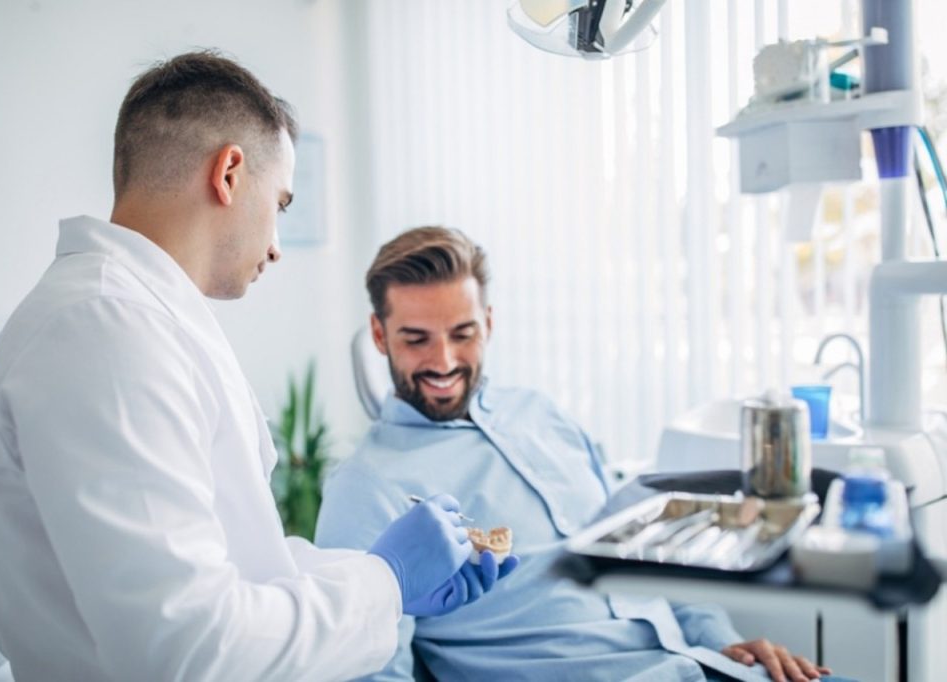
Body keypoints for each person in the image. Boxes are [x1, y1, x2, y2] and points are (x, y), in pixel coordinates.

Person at [0, 53, 514, 681]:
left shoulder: (139, 319)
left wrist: (385, 585)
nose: (277, 247)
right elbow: (187, 648)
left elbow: (239, 566)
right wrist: (387, 580)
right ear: (229, 173)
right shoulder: (104, 330)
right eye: (280, 202)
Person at [315, 226, 840, 682]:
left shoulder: (541, 415)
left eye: (462, 334)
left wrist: (723, 641)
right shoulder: (366, 486)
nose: (444, 360)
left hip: (703, 665)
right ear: (380, 335)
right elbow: (372, 668)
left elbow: (641, 547)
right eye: (416, 340)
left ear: (488, 324)